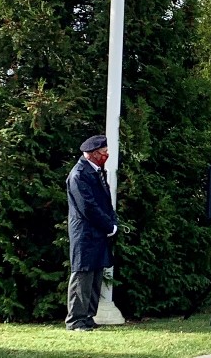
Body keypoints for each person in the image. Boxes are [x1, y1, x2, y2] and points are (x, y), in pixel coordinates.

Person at [65, 134, 118, 331]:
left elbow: (105, 202)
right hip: (85, 233)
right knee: (82, 275)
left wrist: (113, 222)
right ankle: (76, 320)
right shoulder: (79, 175)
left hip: (98, 233)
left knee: (95, 275)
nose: (107, 155)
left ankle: (88, 317)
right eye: (104, 153)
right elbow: (88, 207)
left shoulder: (96, 171)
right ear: (94, 154)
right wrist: (109, 226)